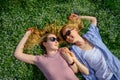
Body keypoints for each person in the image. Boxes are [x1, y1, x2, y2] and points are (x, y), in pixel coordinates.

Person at [14, 24, 89, 80]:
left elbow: (75, 71)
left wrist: (70, 60)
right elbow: (17, 54)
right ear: (45, 44)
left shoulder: (62, 51)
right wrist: (26, 35)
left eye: (56, 39)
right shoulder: (39, 60)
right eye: (52, 39)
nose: (56, 41)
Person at [60, 13, 120, 80]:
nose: (68, 37)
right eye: (65, 37)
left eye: (68, 33)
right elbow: (86, 72)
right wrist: (74, 59)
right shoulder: (75, 51)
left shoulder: (91, 35)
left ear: (75, 29)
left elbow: (93, 19)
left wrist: (78, 17)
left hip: (117, 69)